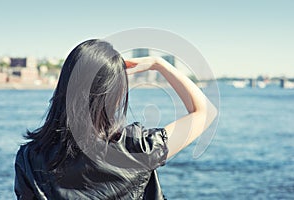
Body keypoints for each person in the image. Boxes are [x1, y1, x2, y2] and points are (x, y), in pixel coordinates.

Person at [14, 39, 217, 199]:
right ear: (114, 94)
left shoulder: (29, 158)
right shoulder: (138, 148)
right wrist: (159, 64)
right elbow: (205, 111)